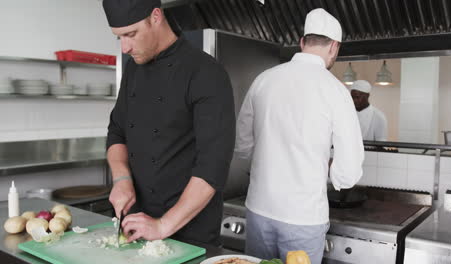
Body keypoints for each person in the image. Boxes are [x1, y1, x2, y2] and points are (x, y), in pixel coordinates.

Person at [235, 8, 364, 264]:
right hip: (303, 217)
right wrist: (331, 170)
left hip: (259, 209)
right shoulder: (336, 91)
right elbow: (348, 171)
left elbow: (242, 145)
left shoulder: (264, 80)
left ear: (302, 42)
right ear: (334, 47)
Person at [102, 0, 235, 246]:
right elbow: (117, 132)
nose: (125, 48)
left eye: (131, 34)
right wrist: (121, 179)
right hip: (136, 226)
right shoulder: (132, 71)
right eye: (118, 37)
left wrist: (163, 225)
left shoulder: (206, 73)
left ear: (155, 17)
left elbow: (212, 167)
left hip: (190, 232)